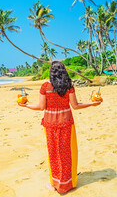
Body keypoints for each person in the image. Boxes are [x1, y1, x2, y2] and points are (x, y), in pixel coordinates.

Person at [18, 61, 101, 194]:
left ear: (51, 72)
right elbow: (75, 105)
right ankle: (68, 183)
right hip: (66, 123)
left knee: (54, 153)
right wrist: (91, 104)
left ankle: (55, 183)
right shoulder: (69, 86)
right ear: (63, 71)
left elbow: (40, 107)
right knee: (67, 152)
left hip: (50, 125)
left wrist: (26, 106)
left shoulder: (45, 87)